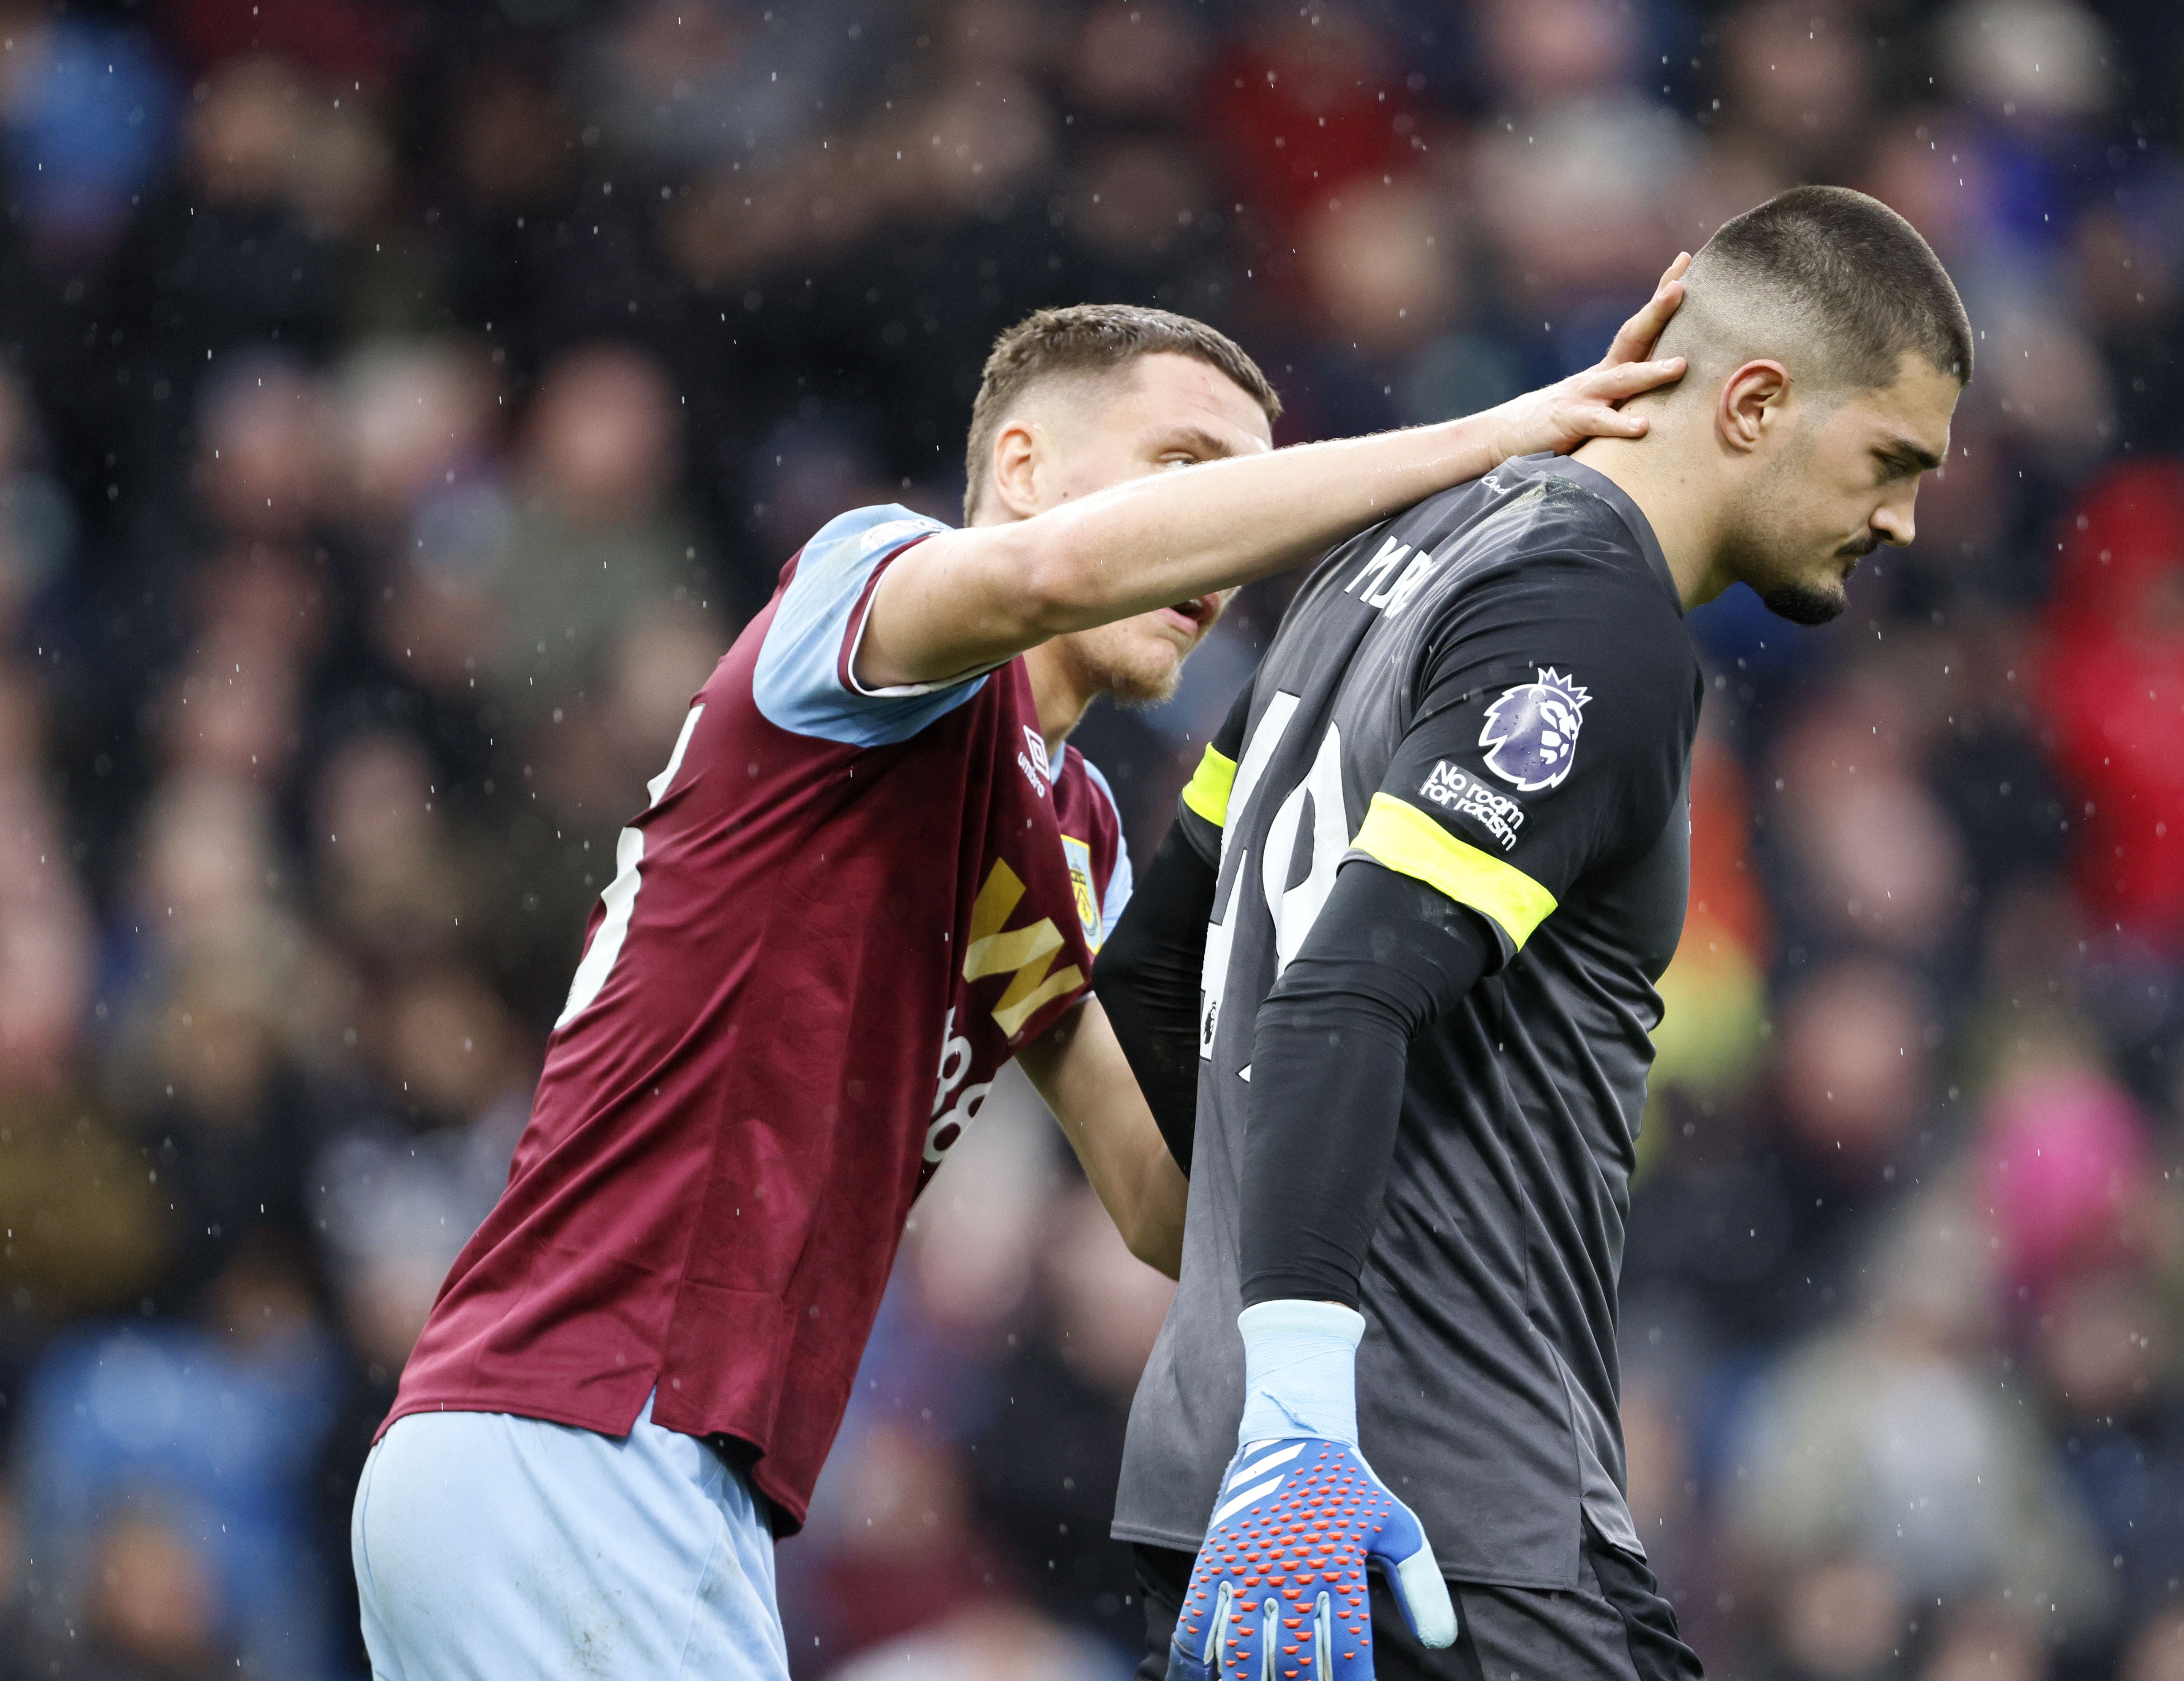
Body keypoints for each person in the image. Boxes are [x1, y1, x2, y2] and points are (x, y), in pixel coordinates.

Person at [348, 296, 1692, 1679]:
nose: (1227, 534)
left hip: (655, 1482)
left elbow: (1161, 1202)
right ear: (1029, 468)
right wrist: (1488, 444)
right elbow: (1042, 582)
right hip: (581, 1429)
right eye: (1191, 469)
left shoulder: (1081, 830)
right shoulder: (868, 586)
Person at [1094, 185, 1972, 1681]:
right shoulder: (1597, 620)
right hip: (1440, 1516)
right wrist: (1312, 1415)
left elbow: (1152, 966)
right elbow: (1335, 1000)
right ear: (1754, 402)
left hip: (1228, 1498)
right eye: (1890, 462)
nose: (1901, 519)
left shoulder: (1370, 573)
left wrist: (1257, 1331)